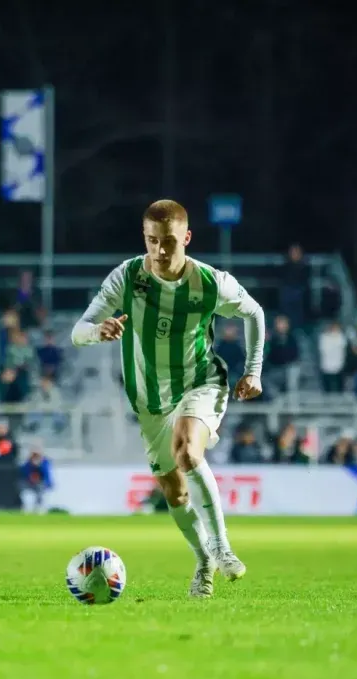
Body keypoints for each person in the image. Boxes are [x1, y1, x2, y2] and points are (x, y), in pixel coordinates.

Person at [71, 199, 265, 599]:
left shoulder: (211, 282)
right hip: (149, 401)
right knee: (174, 493)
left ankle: (222, 546)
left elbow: (255, 313)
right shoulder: (127, 277)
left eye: (169, 242)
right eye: (152, 241)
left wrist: (254, 370)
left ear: (187, 238)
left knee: (188, 453)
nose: (160, 251)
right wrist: (98, 331)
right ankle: (203, 560)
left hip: (200, 382)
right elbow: (78, 330)